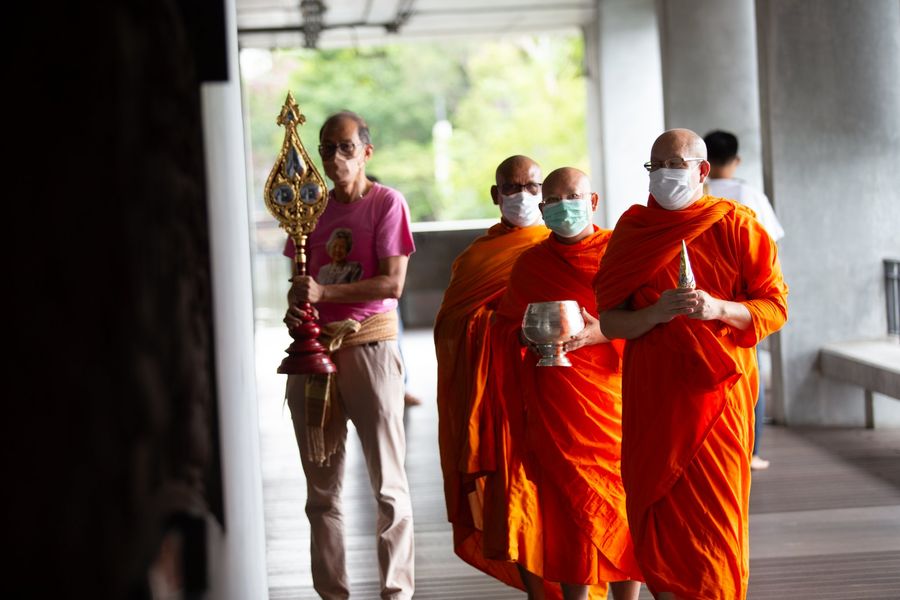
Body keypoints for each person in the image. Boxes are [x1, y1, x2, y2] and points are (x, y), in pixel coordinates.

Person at [594, 129, 788, 599]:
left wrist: (719, 308)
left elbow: (775, 308)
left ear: (702, 170)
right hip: (655, 397)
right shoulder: (634, 231)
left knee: (714, 523)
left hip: (718, 402)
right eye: (655, 166)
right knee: (656, 513)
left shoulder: (737, 225)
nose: (663, 175)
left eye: (674, 165)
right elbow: (611, 321)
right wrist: (655, 314)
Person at [492, 168, 642, 600]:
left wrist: (603, 332)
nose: (564, 208)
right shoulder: (531, 264)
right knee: (569, 509)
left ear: (592, 201)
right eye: (554, 201)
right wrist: (527, 336)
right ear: (543, 210)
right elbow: (505, 327)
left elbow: (649, 322)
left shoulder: (620, 253)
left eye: (573, 197)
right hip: (555, 402)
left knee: (620, 504)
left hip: (614, 401)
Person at [283, 111, 415, 599]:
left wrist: (323, 295)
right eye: (326, 149)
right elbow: (301, 284)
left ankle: (396, 592)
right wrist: (298, 308)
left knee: (388, 487)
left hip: (369, 347)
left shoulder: (385, 203)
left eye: (345, 147)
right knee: (321, 494)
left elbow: (392, 284)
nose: (335, 157)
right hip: (316, 355)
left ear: (366, 152)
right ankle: (333, 593)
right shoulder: (309, 209)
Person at [434, 156, 553, 595]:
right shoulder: (476, 258)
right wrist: (498, 326)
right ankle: (540, 592)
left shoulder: (561, 246)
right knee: (515, 496)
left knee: (565, 495)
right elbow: (449, 325)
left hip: (556, 390)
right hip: (500, 397)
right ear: (495, 195)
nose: (523, 196)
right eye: (512, 187)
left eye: (532, 187)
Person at [704, 130, 785, 471]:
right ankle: (751, 451)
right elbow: (770, 246)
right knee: (750, 370)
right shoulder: (749, 195)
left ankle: (709, 445)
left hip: (701, 299)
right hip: (743, 302)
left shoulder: (697, 194)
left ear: (704, 163)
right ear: (736, 160)